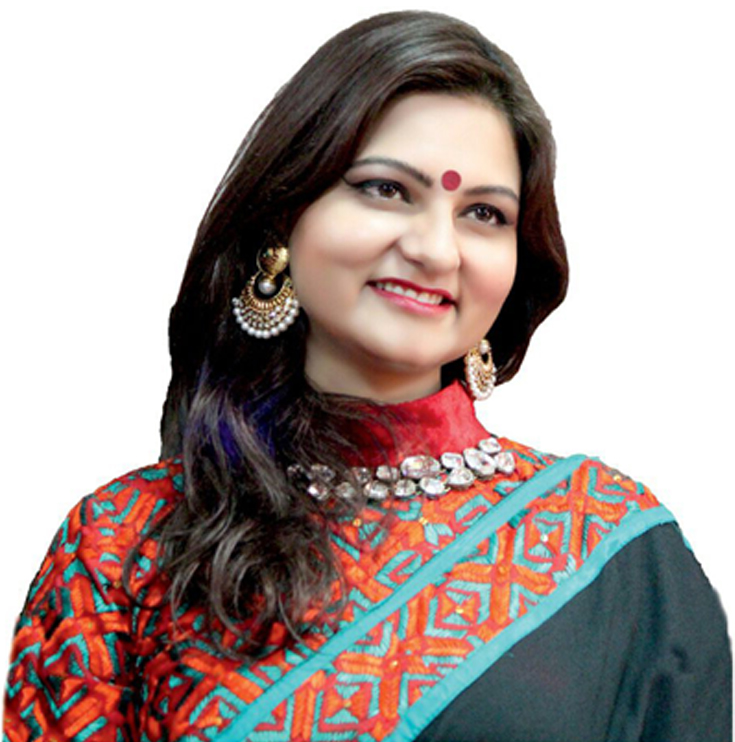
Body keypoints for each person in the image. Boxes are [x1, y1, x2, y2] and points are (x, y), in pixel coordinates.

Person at [3, 10, 731, 742]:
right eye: (387, 190)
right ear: (282, 218)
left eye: (483, 212)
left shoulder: (608, 546)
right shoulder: (126, 543)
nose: (436, 250)